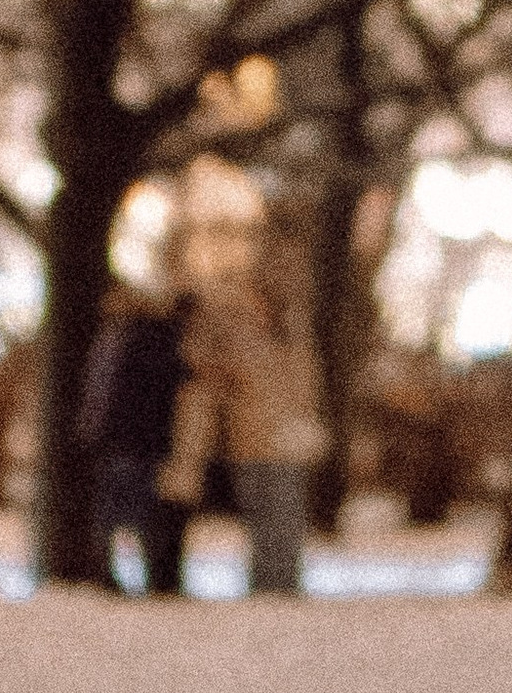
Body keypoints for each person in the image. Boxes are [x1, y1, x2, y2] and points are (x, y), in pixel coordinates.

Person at [162, 249, 327, 595]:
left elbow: (305, 385)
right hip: (250, 439)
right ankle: (267, 586)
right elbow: (204, 367)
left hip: (287, 439)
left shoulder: (291, 336)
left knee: (287, 518)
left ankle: (283, 585)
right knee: (265, 518)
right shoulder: (235, 334)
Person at [80, 284, 194, 596]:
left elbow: (104, 395)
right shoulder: (146, 341)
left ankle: (112, 572)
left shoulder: (122, 340)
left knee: (118, 509)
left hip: (122, 439)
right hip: (136, 441)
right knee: (134, 509)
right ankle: (132, 573)